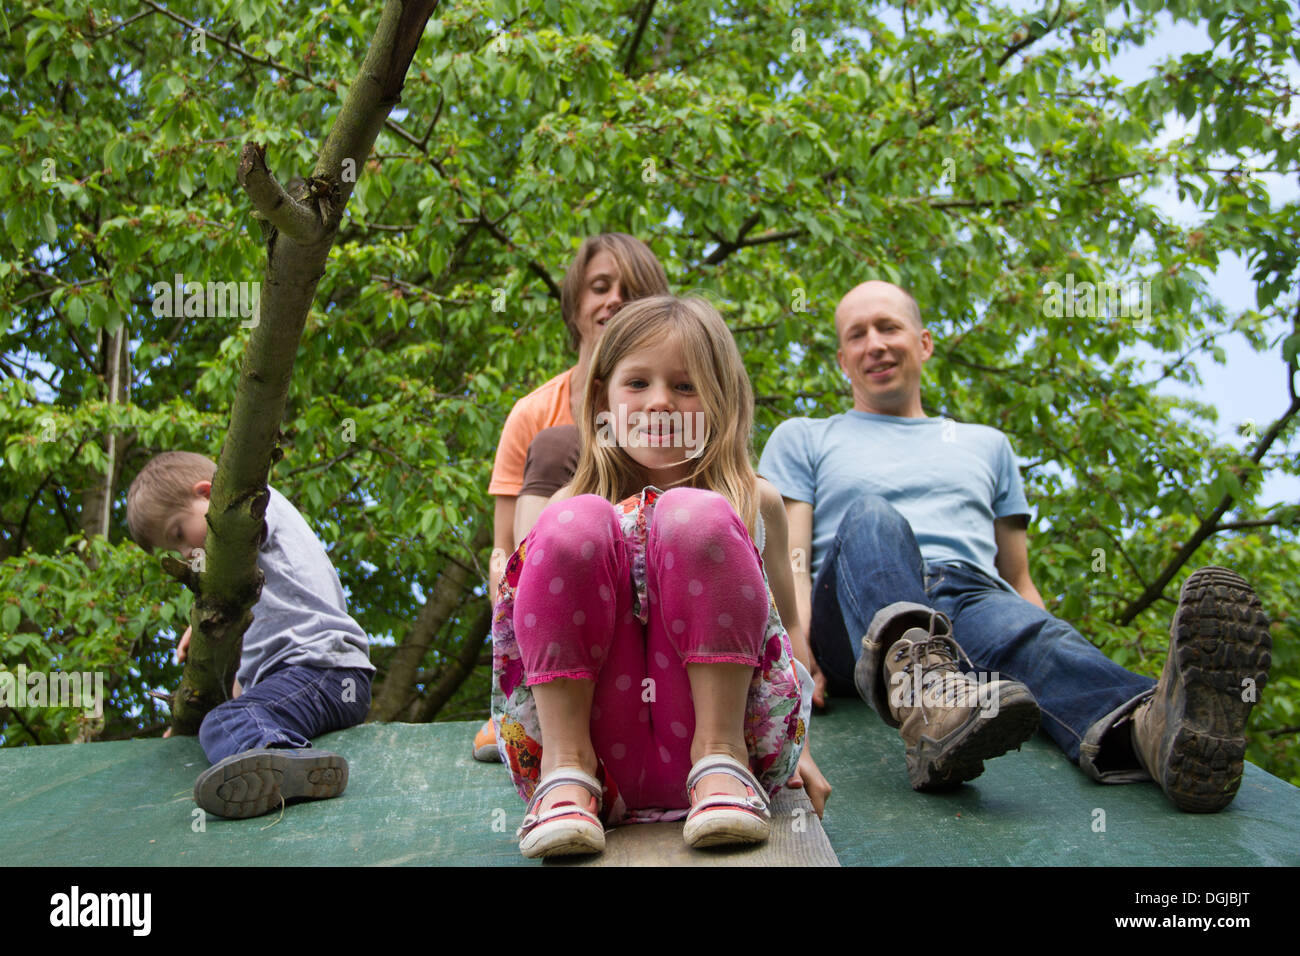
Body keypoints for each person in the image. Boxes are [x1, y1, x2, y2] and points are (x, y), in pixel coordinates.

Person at [758, 280, 1273, 811]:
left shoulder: (988, 445)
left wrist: (1053, 633)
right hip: (858, 613)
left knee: (1033, 638)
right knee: (872, 513)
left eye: (888, 327)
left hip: (968, 600)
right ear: (843, 359)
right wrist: (793, 647)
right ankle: (926, 696)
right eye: (857, 335)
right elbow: (790, 556)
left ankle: (1155, 730)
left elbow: (1019, 578)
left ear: (925, 342)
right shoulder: (805, 435)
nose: (875, 344)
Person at [491, 295, 831, 858]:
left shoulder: (753, 501)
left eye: (685, 386)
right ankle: (568, 773)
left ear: (720, 399)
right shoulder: (575, 506)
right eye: (638, 384)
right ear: (601, 398)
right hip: (600, 761)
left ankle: (720, 763)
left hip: (729, 753)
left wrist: (801, 750)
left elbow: (786, 633)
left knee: (694, 515)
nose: (659, 403)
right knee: (573, 523)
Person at [473, 233, 670, 761]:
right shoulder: (537, 413)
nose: (613, 301)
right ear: (576, 305)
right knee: (559, 446)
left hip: (657, 581)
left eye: (630, 289)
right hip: (569, 586)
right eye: (599, 287)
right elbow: (502, 554)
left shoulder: (676, 405)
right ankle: (531, 699)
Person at [126, 451, 375, 819]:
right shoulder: (245, 585)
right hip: (309, 679)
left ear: (209, 494)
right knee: (226, 717)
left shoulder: (253, 503)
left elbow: (241, 533)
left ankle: (286, 758)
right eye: (173, 549)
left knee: (225, 723)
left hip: (326, 669)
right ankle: (287, 764)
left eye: (179, 533)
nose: (184, 553)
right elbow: (246, 684)